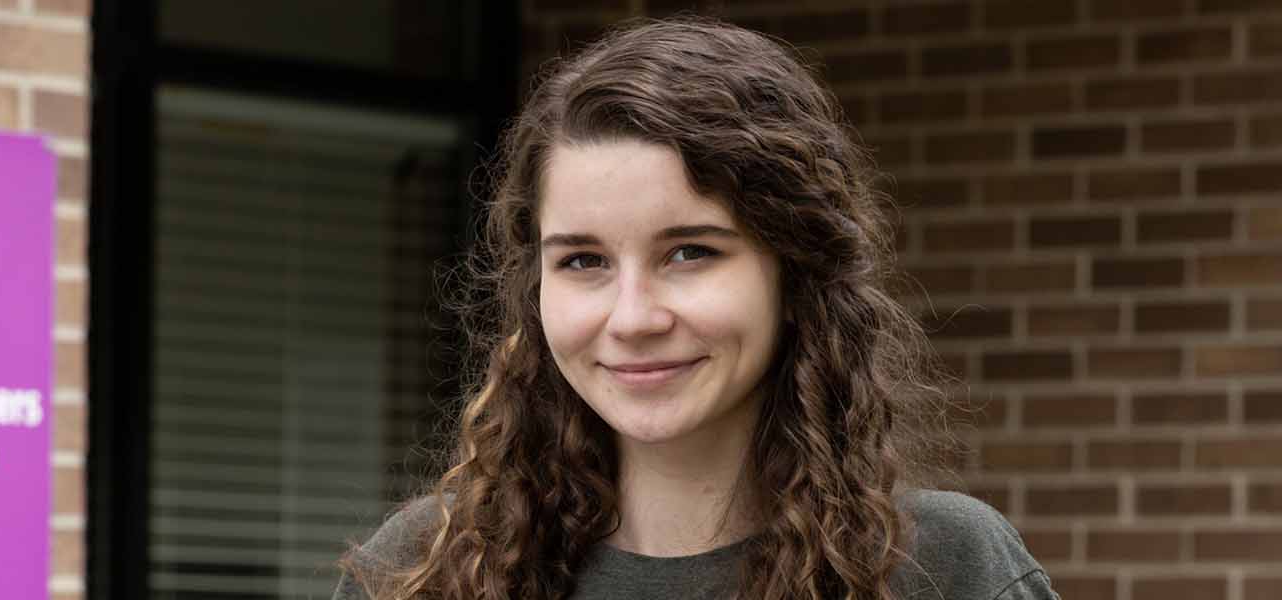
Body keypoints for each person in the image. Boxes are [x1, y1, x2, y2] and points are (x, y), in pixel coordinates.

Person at [335, 17, 1059, 600]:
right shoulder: (426, 571)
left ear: (794, 271)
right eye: (582, 261)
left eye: (690, 252)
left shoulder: (943, 568)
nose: (632, 318)